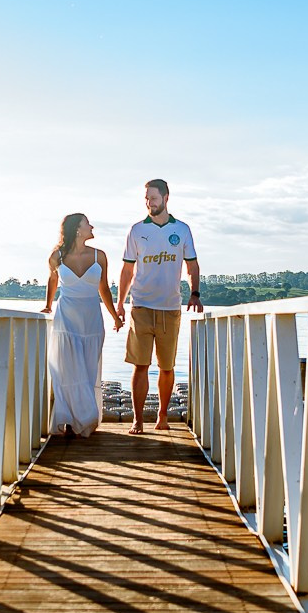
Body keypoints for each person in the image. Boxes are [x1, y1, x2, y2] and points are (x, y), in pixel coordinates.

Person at [117, 178, 202, 434]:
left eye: (153, 198)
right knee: (140, 365)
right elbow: (127, 270)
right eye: (146, 199)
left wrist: (194, 293)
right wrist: (120, 303)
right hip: (141, 306)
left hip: (170, 308)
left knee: (166, 366)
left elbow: (192, 266)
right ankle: (137, 419)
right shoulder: (136, 230)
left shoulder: (183, 229)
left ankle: (163, 416)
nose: (149, 203)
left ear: (166, 198)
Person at [40, 212, 122, 437]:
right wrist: (48, 305)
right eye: (88, 224)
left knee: (87, 370)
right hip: (66, 318)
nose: (92, 226)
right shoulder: (56, 256)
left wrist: (114, 316)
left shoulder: (100, 256)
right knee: (67, 370)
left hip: (91, 319)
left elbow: (104, 289)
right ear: (77, 229)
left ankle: (82, 418)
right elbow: (53, 280)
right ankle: (72, 418)